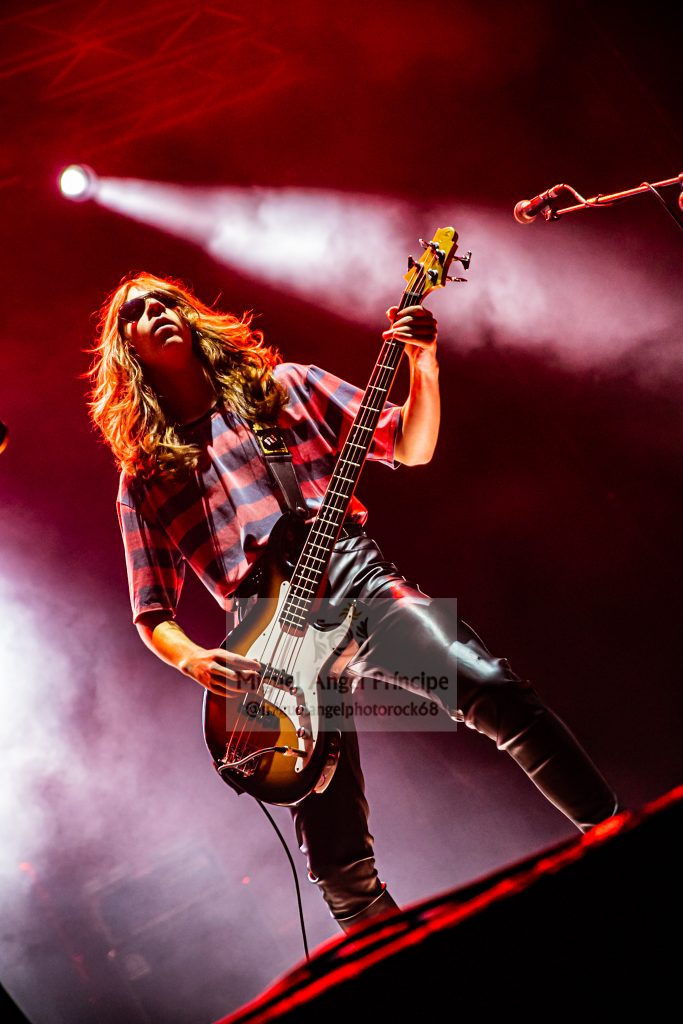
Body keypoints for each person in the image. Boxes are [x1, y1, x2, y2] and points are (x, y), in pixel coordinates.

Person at [88, 273, 621, 934]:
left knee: (493, 688)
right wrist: (194, 661)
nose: (156, 311)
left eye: (165, 299)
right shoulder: (145, 473)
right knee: (337, 860)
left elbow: (411, 446)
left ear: (191, 316)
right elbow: (152, 613)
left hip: (350, 572)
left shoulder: (283, 387)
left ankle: (618, 840)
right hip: (266, 642)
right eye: (136, 312)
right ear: (127, 350)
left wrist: (423, 363)